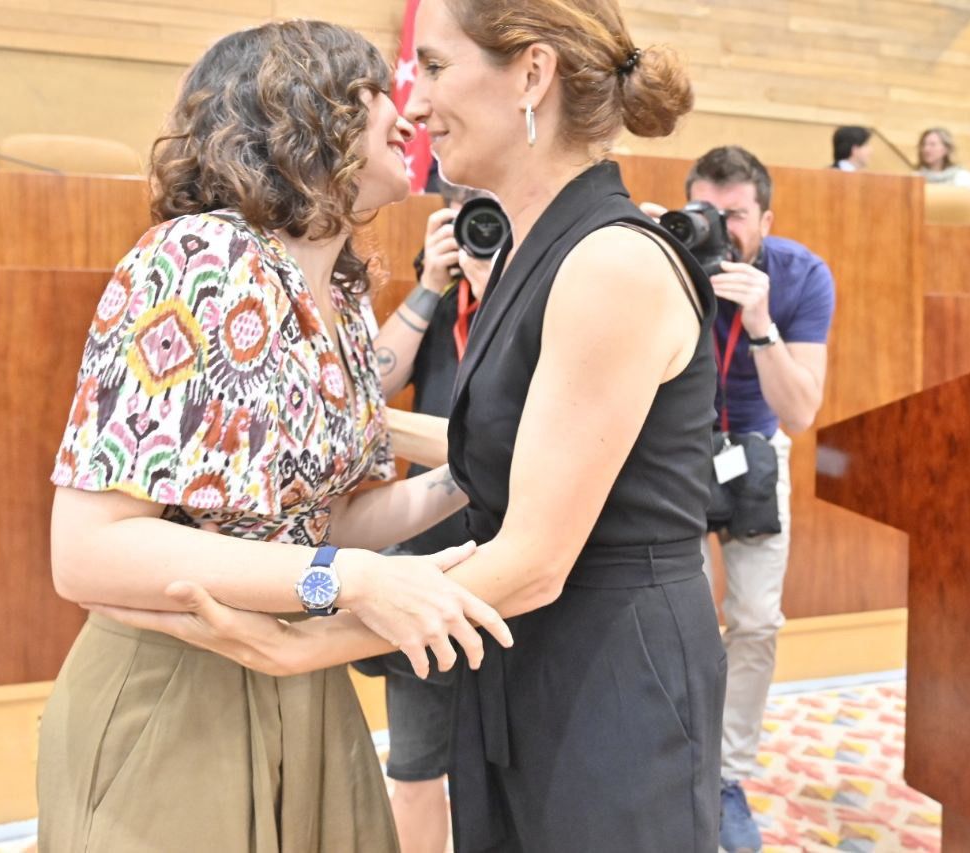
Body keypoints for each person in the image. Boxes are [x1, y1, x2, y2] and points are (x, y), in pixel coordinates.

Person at [89, 0, 728, 851]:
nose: (414, 104)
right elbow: (488, 457)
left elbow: (532, 558)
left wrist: (318, 635)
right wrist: (348, 580)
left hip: (602, 673)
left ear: (532, 74)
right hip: (508, 656)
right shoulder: (533, 251)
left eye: (430, 68)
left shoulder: (605, 258)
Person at [37, 21, 513, 852]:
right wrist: (348, 580)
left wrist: (475, 472)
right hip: (175, 685)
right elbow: (88, 552)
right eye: (371, 97)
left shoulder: (345, 294)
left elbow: (315, 524)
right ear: (301, 116)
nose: (403, 118)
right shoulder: (201, 257)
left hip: (296, 666)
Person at [686, 146, 835, 853]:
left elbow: (801, 411)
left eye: (735, 214)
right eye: (705, 210)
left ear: (765, 219)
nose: (718, 226)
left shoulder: (802, 274)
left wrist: (760, 323)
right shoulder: (667, 256)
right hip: (673, 450)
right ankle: (678, 764)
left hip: (754, 447)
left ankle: (726, 777)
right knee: (677, 619)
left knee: (755, 619)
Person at [355, 179, 495, 853]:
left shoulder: (544, 302)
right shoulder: (439, 302)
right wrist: (432, 284)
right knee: (413, 767)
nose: (481, 233)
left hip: (514, 564)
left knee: (504, 771)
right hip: (427, 561)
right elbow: (364, 392)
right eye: (470, 217)